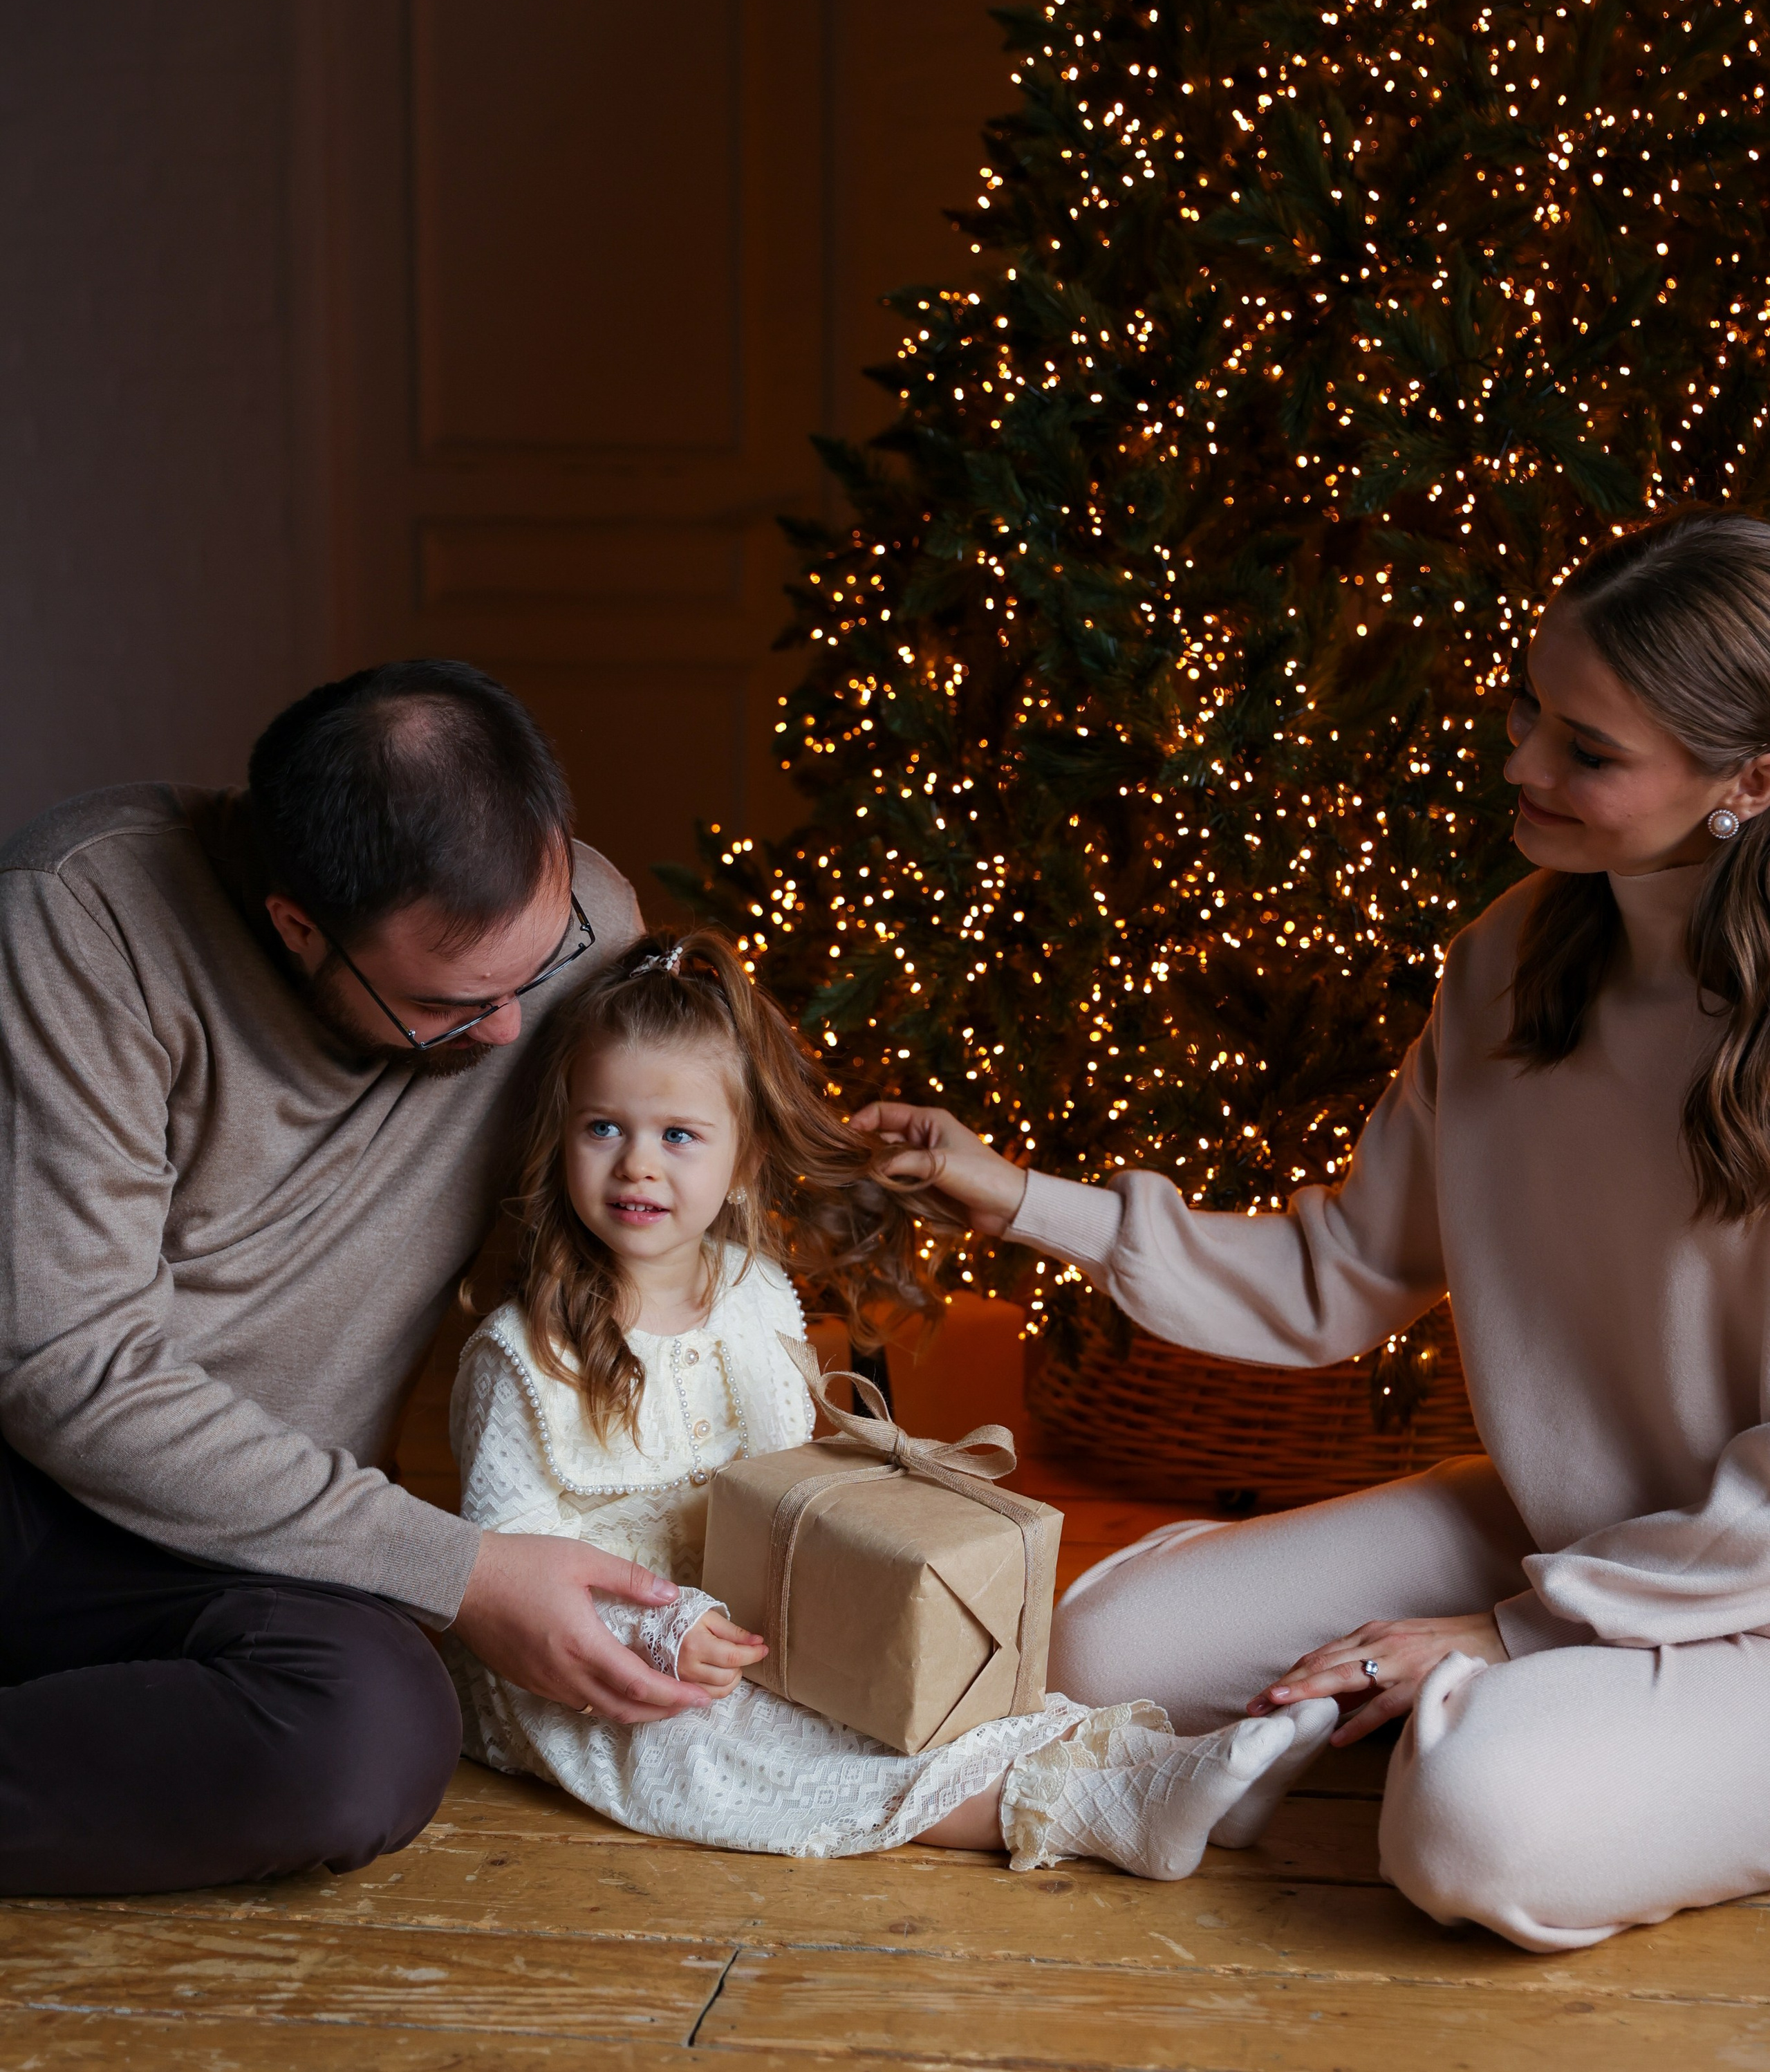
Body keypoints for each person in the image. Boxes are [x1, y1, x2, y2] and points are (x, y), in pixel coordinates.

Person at [859, 507, 1770, 1953]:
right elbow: (1337, 1276)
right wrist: (1016, 1197)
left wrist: (1511, 1633)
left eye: (1587, 751)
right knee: (1102, 1647)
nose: (1521, 766)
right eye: (1529, 713)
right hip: (1587, 1527)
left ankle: (1518, 1723)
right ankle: (1514, 1706)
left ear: (1749, 780)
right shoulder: (1511, 959)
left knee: (1467, 1822)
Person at [0, 658, 712, 1899]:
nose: (513, 1028)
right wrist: (463, 1572)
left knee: (370, 1740)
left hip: (264, 1537)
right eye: (455, 1002)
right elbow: (70, 1372)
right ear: (298, 927)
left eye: (533, 970)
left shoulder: (583, 928)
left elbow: (630, 1222)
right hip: (34, 1484)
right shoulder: (80, 914)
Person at [445, 926, 1339, 1874]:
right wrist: (657, 1632)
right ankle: (1100, 1809)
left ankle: (1166, 1766)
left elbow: (785, 1475)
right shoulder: (524, 1353)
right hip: (601, 1672)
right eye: (603, 1128)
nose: (637, 1164)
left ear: (742, 1163)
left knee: (920, 1686)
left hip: (757, 1616)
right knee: (768, 1753)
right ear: (563, 1137)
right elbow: (502, 1567)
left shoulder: (754, 1293)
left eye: (678, 1136)